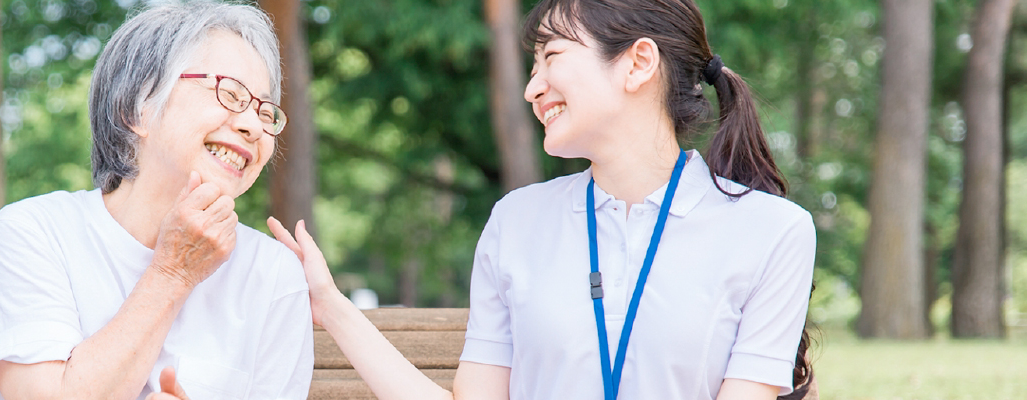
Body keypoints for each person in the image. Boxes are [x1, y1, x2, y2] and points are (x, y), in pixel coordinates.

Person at [267, 0, 816, 399]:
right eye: (532, 67)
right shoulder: (517, 222)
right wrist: (331, 305)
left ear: (638, 63)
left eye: (550, 57)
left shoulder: (774, 231)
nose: (532, 88)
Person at [0, 3, 312, 400]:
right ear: (136, 108)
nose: (253, 126)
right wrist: (173, 272)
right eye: (230, 93)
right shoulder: (33, 233)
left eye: (264, 110)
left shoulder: (272, 275)